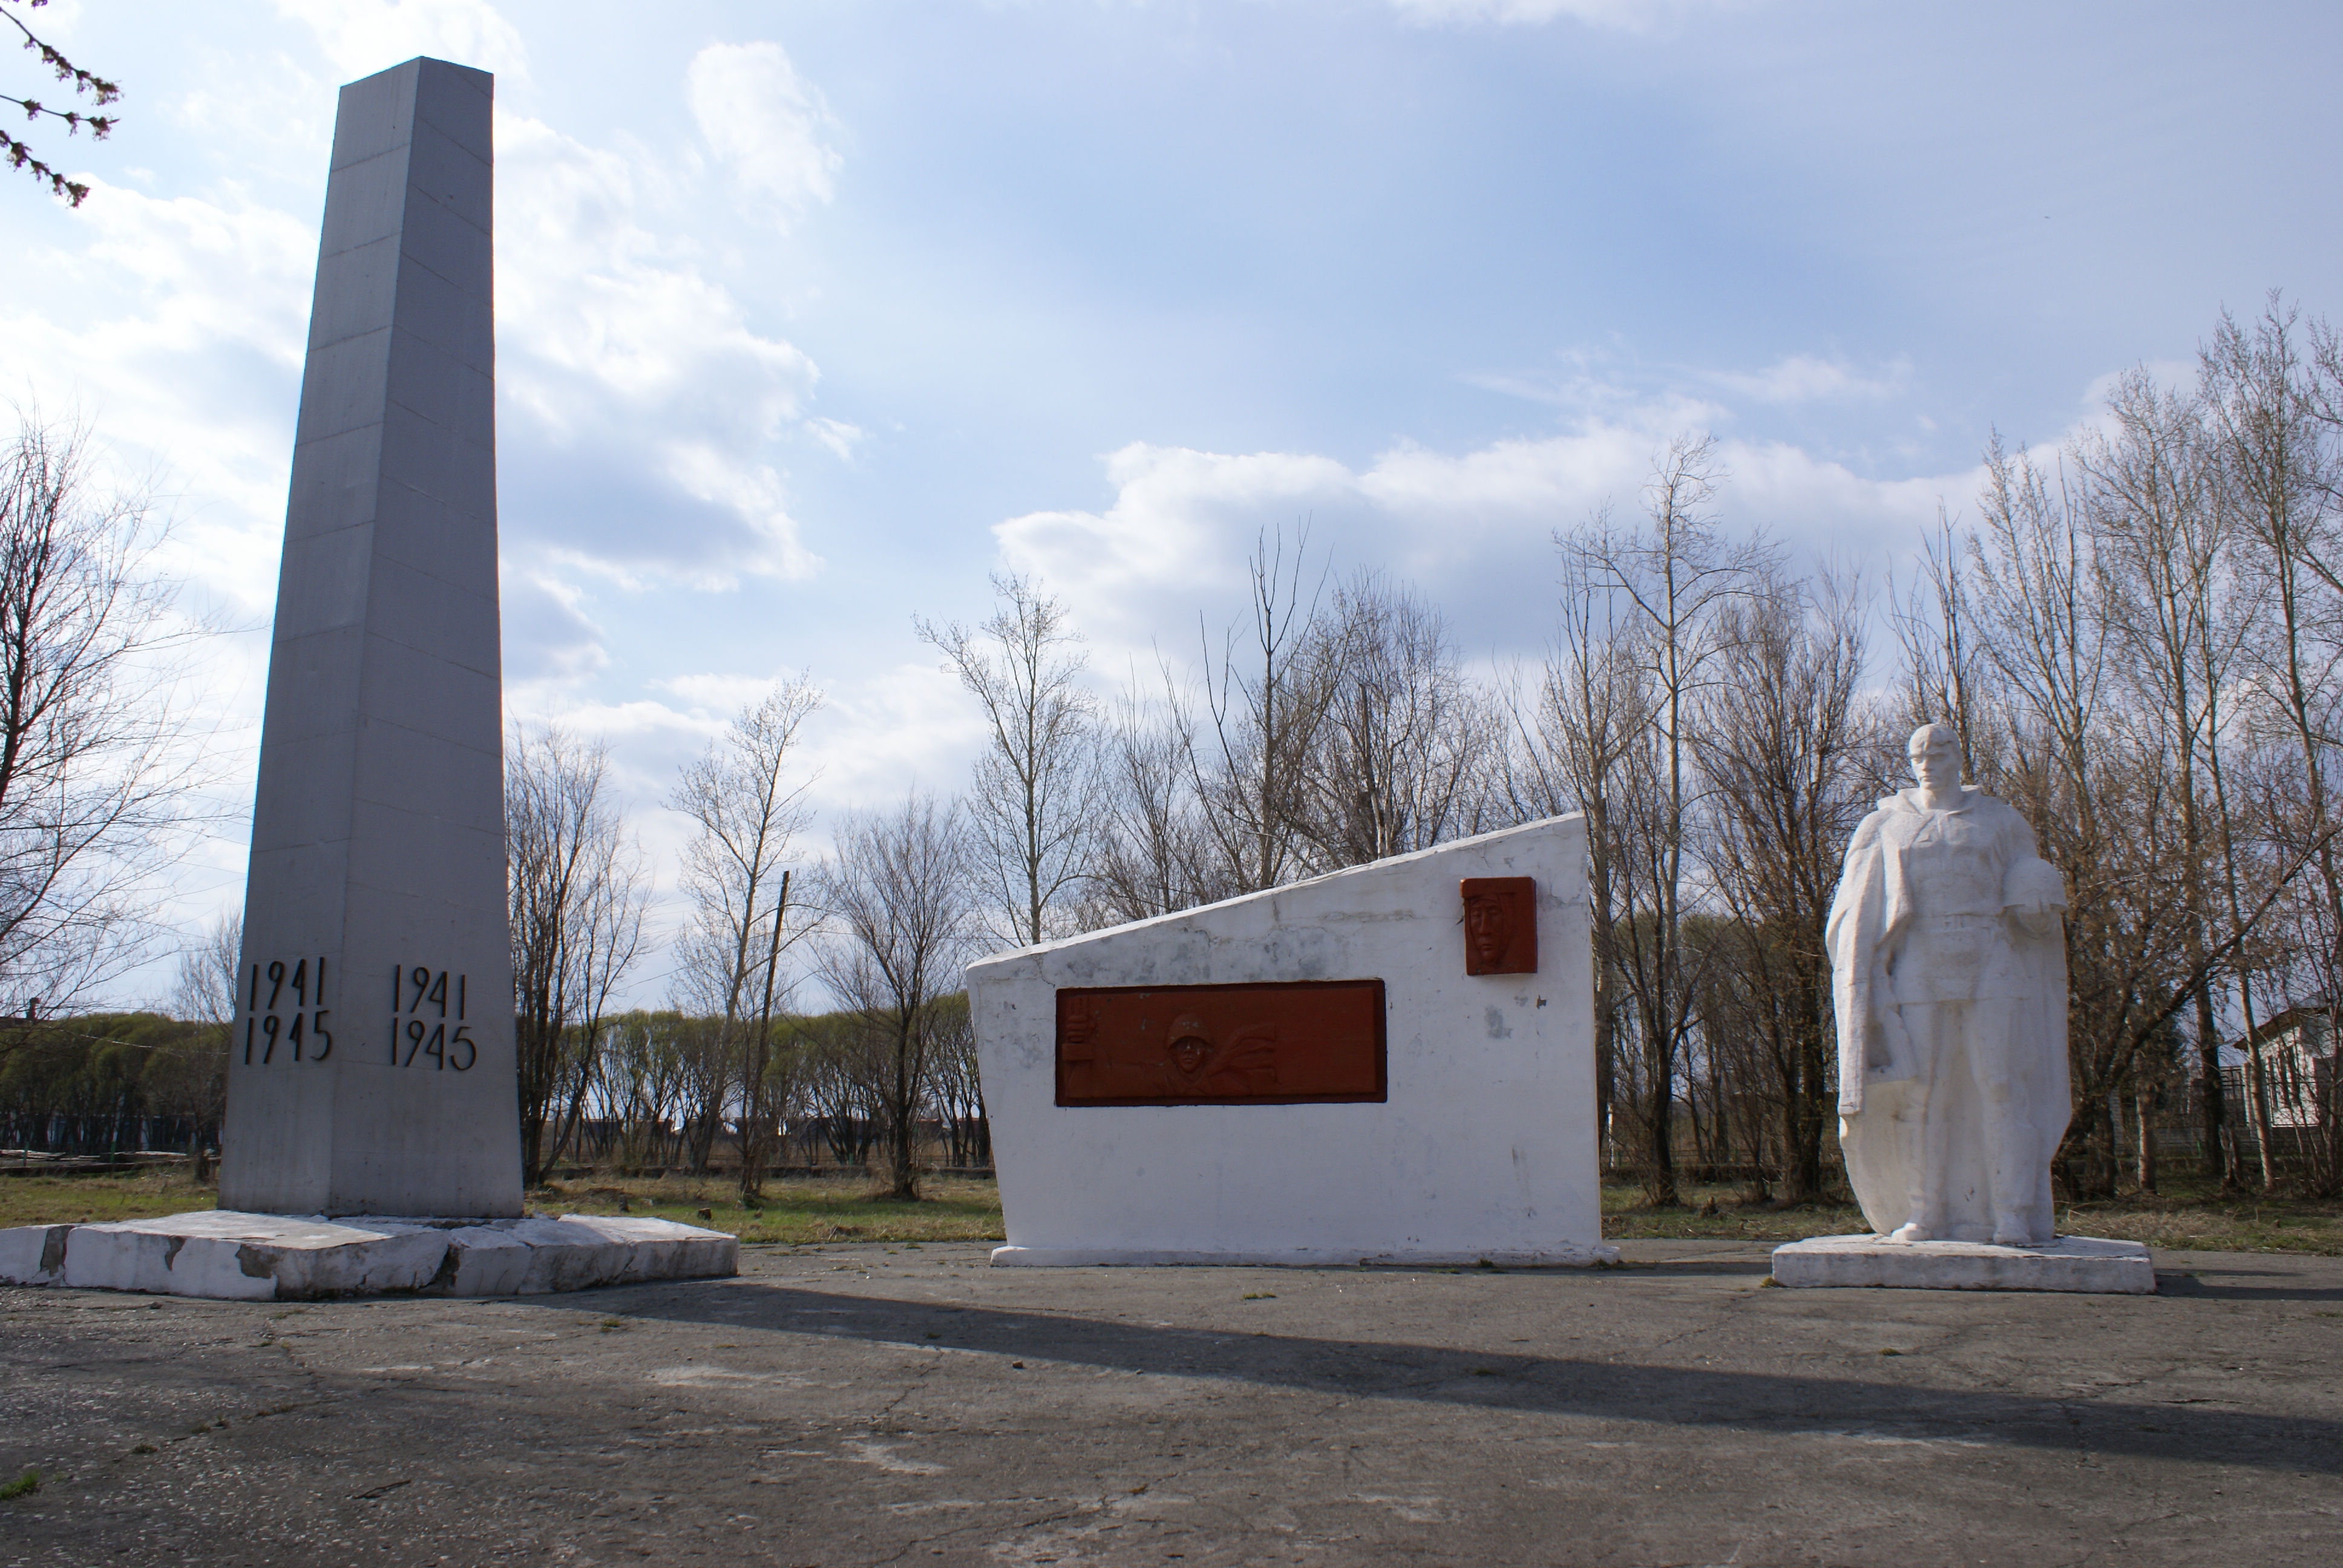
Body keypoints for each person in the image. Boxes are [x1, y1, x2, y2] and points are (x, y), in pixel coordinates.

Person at [1827, 723, 2069, 1246]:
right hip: (1920, 961)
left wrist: (2040, 910)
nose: (1928, 762)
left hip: (1990, 958)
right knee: (1923, 1093)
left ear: (1958, 756)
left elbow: (2034, 889)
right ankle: (1926, 1213)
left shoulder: (2000, 821)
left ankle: (2011, 1214)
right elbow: (1854, 908)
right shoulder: (1887, 825)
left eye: (1938, 752)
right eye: (1918, 753)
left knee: (2003, 1087)